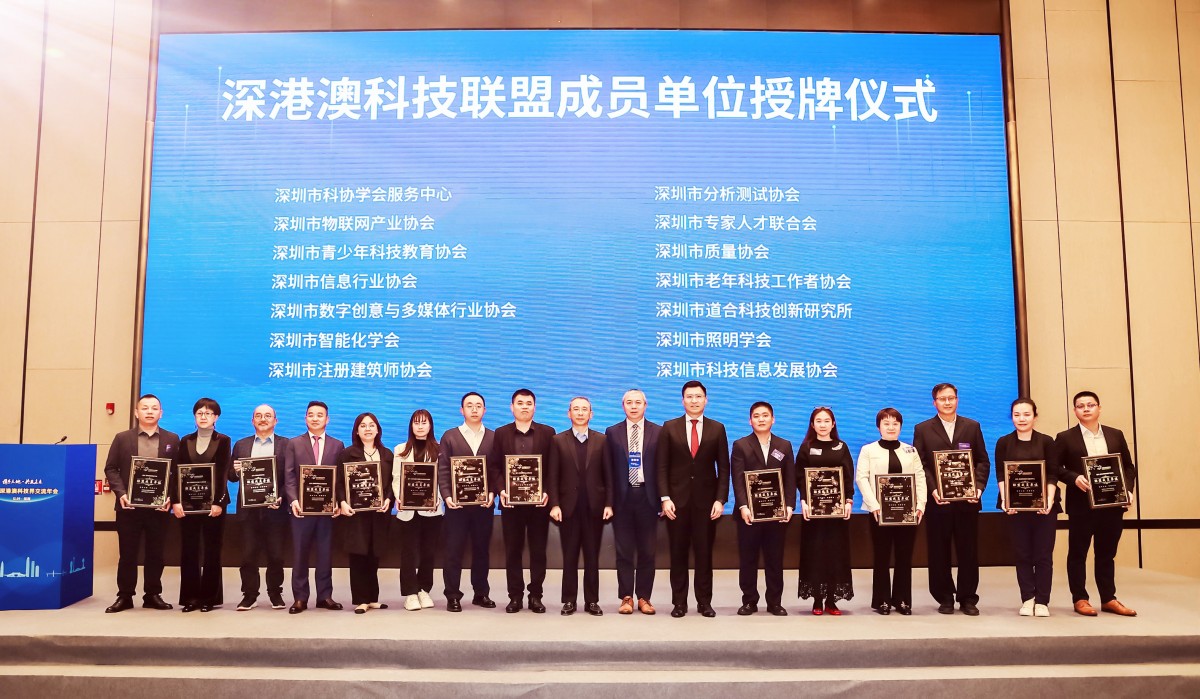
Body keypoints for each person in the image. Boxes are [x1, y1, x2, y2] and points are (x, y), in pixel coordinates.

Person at [1054, 390, 1138, 617]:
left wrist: (1128, 490)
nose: (1086, 409)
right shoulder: (1065, 437)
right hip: (1081, 506)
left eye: (1090, 405)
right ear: (1075, 411)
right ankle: (1080, 598)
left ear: (1099, 408)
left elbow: (1128, 467)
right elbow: (1055, 467)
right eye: (1081, 406)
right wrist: (1074, 478)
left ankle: (1109, 598)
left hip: (1112, 505)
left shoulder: (1115, 434)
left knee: (1106, 554)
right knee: (1078, 553)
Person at [913, 382, 990, 615]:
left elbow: (982, 461)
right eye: (942, 399)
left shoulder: (972, 426)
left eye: (951, 398)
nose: (947, 402)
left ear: (957, 400)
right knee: (939, 551)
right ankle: (944, 597)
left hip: (968, 502)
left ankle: (968, 598)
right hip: (938, 502)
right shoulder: (922, 429)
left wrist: (978, 488)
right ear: (934, 402)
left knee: (968, 551)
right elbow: (921, 465)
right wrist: (933, 490)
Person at [656, 380, 730, 618]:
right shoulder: (669, 427)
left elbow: (724, 468)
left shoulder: (717, 428)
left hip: (706, 504)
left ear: (706, 400)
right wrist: (665, 498)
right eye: (689, 396)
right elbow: (662, 466)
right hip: (676, 503)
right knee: (678, 554)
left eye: (698, 396)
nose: (694, 401)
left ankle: (704, 602)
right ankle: (679, 603)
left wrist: (720, 499)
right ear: (683, 400)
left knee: (704, 554)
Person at [102, 394, 180, 613]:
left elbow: (177, 473)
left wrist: (170, 497)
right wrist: (121, 493)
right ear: (137, 413)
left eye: (154, 408)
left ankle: (152, 594)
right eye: (145, 408)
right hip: (129, 507)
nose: (149, 411)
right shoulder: (122, 438)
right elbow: (111, 468)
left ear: (161, 413)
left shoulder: (172, 439)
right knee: (128, 554)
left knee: (156, 554)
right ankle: (125, 596)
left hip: (159, 508)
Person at [994, 397, 1062, 617]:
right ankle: (1027, 598)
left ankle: (1042, 600)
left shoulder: (1047, 441)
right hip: (1016, 507)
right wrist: (1006, 500)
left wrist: (1049, 500)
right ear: (1012, 417)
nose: (1021, 419)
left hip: (1045, 507)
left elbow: (1052, 473)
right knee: (1022, 553)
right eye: (1017, 415)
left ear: (1035, 416)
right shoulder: (1004, 442)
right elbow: (1001, 474)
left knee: (1043, 555)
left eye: (1026, 414)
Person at [489, 389, 555, 614]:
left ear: (535, 407)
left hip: (539, 505)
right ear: (512, 407)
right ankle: (515, 596)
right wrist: (501, 490)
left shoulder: (548, 432)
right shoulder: (501, 433)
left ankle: (536, 596)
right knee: (513, 551)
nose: (524, 407)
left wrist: (546, 491)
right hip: (511, 505)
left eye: (528, 403)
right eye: (520, 403)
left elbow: (552, 468)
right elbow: (494, 467)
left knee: (538, 551)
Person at [547, 397, 613, 616]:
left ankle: (592, 601)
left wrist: (609, 503)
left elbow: (609, 476)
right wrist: (555, 504)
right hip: (568, 509)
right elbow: (552, 476)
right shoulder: (558, 440)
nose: (580, 412)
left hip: (595, 508)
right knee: (570, 556)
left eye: (585, 409)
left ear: (591, 414)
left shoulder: (602, 440)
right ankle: (569, 600)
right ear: (569, 413)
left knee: (592, 556)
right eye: (576, 409)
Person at [857, 407, 926, 615]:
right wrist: (874, 505)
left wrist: (920, 505)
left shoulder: (910, 450)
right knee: (882, 556)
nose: (891, 427)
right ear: (878, 427)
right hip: (879, 513)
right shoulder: (868, 450)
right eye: (886, 423)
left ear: (900, 427)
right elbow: (861, 478)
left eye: (895, 423)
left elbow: (920, 477)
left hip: (907, 512)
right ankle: (882, 600)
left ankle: (902, 600)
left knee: (904, 556)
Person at [729, 401, 795, 616]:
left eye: (765, 415)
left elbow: (790, 478)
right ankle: (749, 601)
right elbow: (737, 478)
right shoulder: (741, 445)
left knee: (774, 559)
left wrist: (789, 505)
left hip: (776, 514)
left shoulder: (784, 445)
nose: (761, 419)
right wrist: (743, 506)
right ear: (750, 421)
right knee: (748, 559)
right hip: (749, 514)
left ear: (773, 419)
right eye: (756, 416)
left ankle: (775, 602)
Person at [282, 400, 344, 613]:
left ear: (327, 419)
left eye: (320, 415)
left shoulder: (337, 445)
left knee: (325, 553)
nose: (315, 418)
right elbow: (289, 475)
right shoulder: (294, 443)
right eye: (311, 414)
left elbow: (340, 479)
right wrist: (293, 500)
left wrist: (338, 502)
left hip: (327, 511)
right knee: (300, 554)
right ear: (305, 418)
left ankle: (325, 596)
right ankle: (300, 598)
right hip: (301, 510)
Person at [437, 392, 497, 612]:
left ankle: (481, 593)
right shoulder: (450, 436)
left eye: (478, 405)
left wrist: (492, 493)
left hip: (484, 506)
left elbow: (496, 470)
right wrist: (447, 496)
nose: (474, 409)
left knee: (482, 551)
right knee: (453, 551)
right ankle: (453, 595)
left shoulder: (493, 437)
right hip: (457, 506)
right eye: (469, 405)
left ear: (484, 410)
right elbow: (443, 470)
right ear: (461, 410)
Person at [603, 389, 661, 615]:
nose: (634, 406)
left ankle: (644, 597)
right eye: (629, 402)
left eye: (638, 402)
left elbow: (663, 467)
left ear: (646, 405)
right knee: (624, 551)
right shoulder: (612, 432)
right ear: (623, 406)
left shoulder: (658, 431)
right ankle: (626, 597)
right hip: (623, 499)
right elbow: (608, 470)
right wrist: (609, 501)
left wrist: (664, 498)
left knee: (648, 551)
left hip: (648, 497)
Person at [171, 397, 232, 612]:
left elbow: (223, 473)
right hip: (188, 505)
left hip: (214, 505)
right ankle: (190, 598)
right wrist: (176, 501)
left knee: (212, 551)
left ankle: (209, 598)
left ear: (216, 417)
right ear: (194, 416)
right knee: (189, 550)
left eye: (208, 413)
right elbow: (177, 473)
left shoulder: (223, 440)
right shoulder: (184, 440)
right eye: (199, 413)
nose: (203, 417)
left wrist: (218, 502)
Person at [795, 406, 855, 616]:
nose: (823, 424)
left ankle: (832, 600)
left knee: (835, 554)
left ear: (833, 423)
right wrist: (803, 500)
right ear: (812, 425)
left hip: (837, 514)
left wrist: (848, 501)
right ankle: (817, 600)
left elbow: (848, 476)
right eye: (818, 421)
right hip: (814, 514)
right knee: (816, 554)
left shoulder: (841, 447)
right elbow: (799, 477)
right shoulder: (806, 448)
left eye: (826, 421)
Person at [230, 404, 289, 611]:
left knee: (276, 555)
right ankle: (249, 595)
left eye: (268, 415)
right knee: (248, 555)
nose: (263, 419)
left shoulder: (286, 444)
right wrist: (236, 470)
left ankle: (275, 593)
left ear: (275, 421)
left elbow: (290, 477)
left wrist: (281, 497)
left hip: (275, 509)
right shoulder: (241, 444)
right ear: (252, 420)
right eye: (258, 416)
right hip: (248, 511)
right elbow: (230, 475)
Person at [336, 412, 394, 614]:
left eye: (371, 425)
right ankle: (361, 599)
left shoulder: (387, 454)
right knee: (358, 555)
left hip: (379, 513)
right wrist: (342, 502)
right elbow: (339, 482)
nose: (367, 429)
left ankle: (372, 598)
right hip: (356, 514)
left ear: (378, 430)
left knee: (374, 555)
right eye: (363, 425)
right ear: (356, 431)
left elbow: (392, 483)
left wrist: (388, 499)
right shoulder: (347, 454)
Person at [392, 409, 443, 612]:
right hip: (408, 511)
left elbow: (442, 479)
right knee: (409, 552)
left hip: (432, 511)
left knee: (428, 552)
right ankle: (410, 593)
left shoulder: (439, 450)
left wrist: (438, 498)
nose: (420, 426)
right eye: (416, 422)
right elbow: (396, 478)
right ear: (411, 426)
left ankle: (423, 589)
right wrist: (399, 497)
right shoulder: (400, 449)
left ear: (430, 426)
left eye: (424, 422)